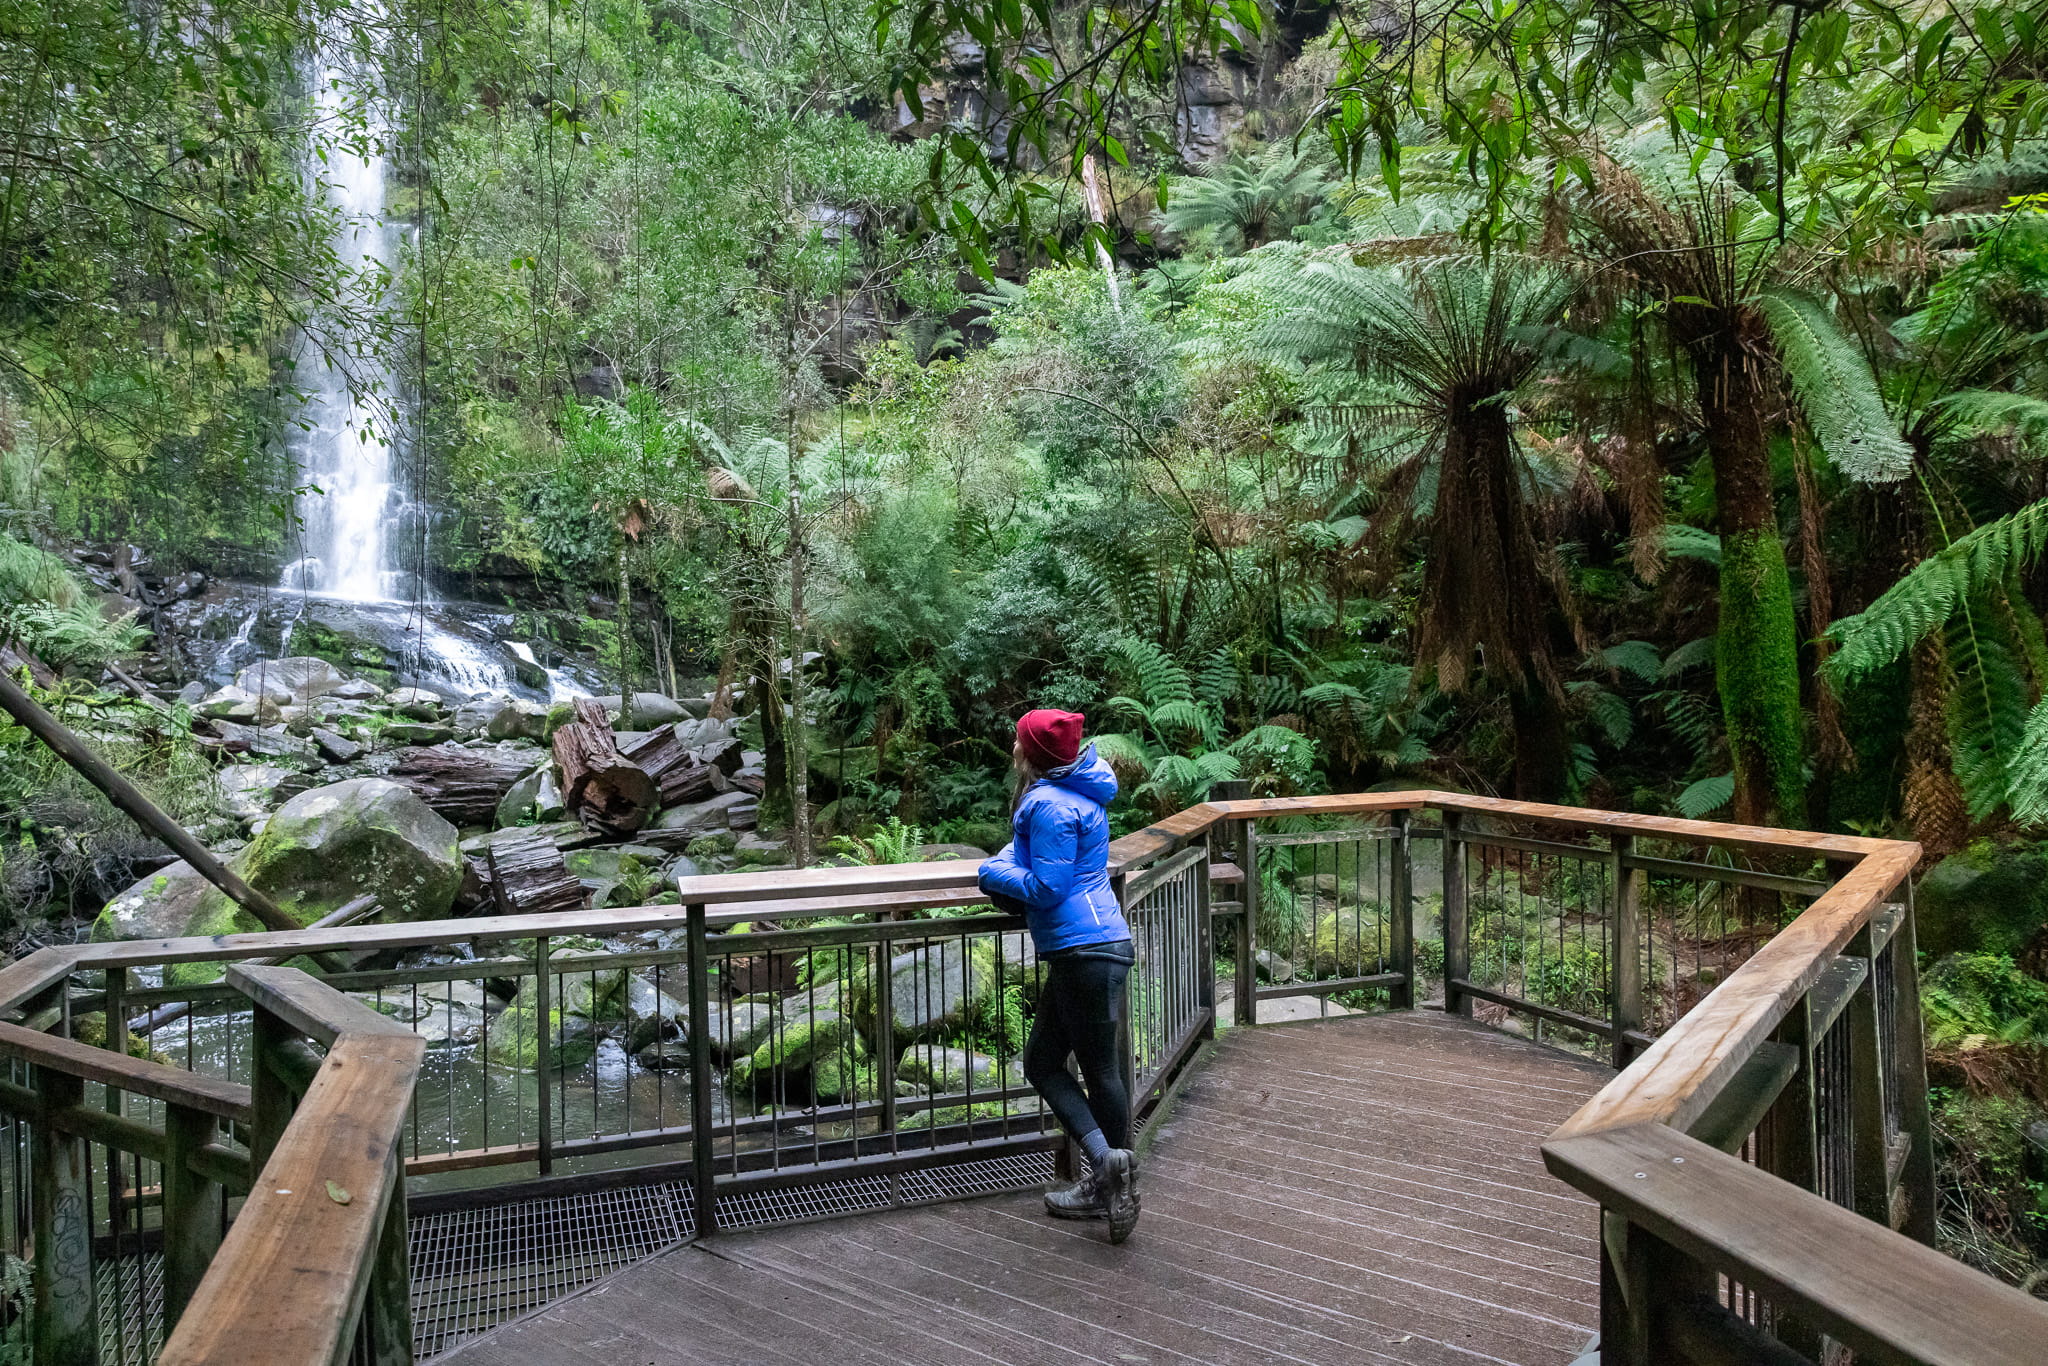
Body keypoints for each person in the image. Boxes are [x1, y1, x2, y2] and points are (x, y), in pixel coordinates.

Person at [977, 708, 1141, 1244]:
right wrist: (1011, 856)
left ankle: (1108, 1174)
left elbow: (1048, 887)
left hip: (1080, 948)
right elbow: (1051, 860)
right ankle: (1109, 1175)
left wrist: (989, 871)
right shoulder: (1080, 790)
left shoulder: (1045, 802)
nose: (1013, 748)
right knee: (1076, 1066)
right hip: (1101, 941)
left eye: (1017, 741)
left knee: (1068, 1066)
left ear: (1032, 753)